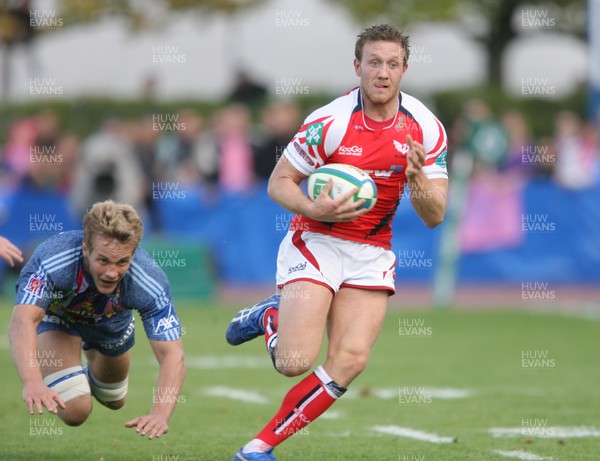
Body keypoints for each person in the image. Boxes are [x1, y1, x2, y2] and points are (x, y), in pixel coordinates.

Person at [225, 24, 448, 460]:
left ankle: (257, 448)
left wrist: (418, 175)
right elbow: (279, 183)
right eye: (374, 62)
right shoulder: (330, 121)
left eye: (392, 64)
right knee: (293, 362)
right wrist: (315, 209)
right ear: (358, 67)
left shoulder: (425, 126)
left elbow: (434, 215)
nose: (382, 72)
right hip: (318, 239)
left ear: (405, 69)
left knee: (350, 359)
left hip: (372, 250)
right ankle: (270, 316)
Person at [8, 200, 185, 440]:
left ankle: (84, 368)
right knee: (76, 411)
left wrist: (160, 414)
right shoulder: (53, 259)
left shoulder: (149, 281)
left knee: (115, 400)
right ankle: (70, 372)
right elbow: (23, 321)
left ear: (133, 254)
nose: (112, 272)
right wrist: (33, 381)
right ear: (86, 248)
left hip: (111, 323)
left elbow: (172, 354)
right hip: (59, 318)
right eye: (103, 260)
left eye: (122, 262)